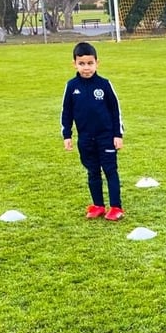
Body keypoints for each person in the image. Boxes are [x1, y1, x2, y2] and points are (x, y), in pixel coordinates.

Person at [61, 41, 125, 221]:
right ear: (74, 64)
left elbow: (115, 110)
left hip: (106, 138)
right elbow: (66, 112)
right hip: (85, 139)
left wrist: (117, 135)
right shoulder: (71, 86)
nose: (86, 68)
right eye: (82, 64)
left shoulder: (104, 85)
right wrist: (67, 135)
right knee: (92, 171)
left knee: (110, 171)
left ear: (97, 63)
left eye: (90, 63)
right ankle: (98, 205)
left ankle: (116, 207)